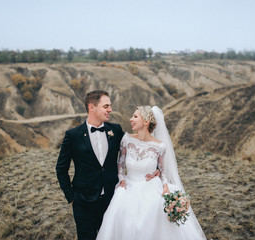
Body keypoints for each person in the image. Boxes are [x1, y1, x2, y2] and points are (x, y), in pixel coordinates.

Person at [56, 90, 158, 240]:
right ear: (92, 107)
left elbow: (138, 146)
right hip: (83, 203)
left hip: (112, 201)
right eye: (106, 106)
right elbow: (61, 168)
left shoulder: (115, 130)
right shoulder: (73, 135)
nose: (110, 109)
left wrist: (155, 168)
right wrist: (71, 196)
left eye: (109, 106)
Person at [96, 106, 206, 240]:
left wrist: (165, 185)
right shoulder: (126, 139)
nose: (131, 119)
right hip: (128, 187)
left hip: (150, 187)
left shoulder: (159, 146)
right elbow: (121, 163)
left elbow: (162, 170)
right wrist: (121, 179)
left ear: (146, 121)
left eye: (135, 116)